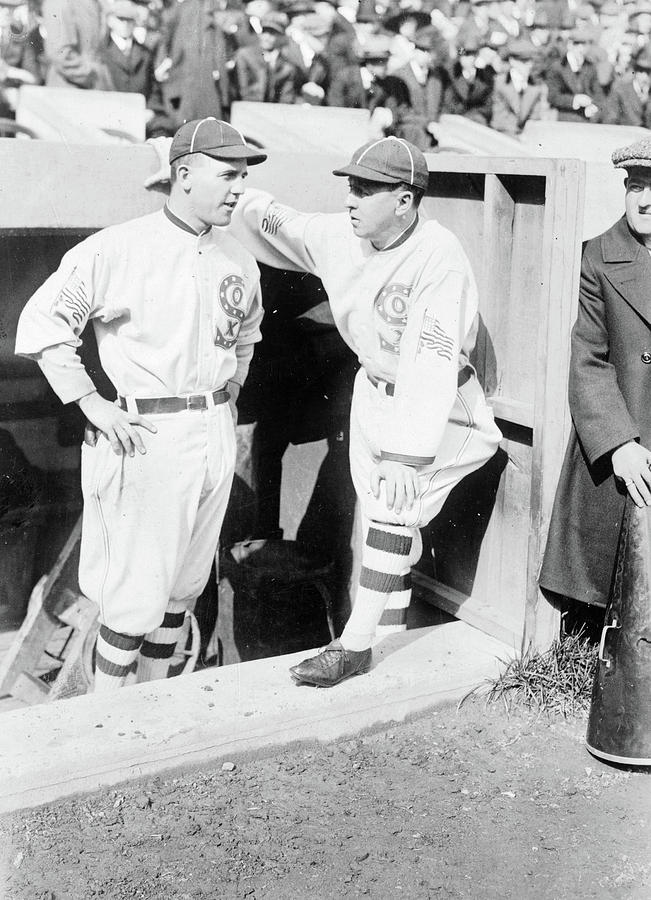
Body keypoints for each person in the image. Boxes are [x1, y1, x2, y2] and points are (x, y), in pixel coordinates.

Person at [225, 137, 502, 686]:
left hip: (443, 405)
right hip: (374, 392)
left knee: (392, 513)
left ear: (405, 199)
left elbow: (432, 362)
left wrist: (405, 454)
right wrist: (225, 190)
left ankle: (352, 647)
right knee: (386, 524)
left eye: (367, 189)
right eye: (351, 186)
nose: (352, 199)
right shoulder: (339, 234)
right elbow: (274, 219)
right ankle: (387, 645)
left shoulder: (438, 256)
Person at [15, 118, 266, 691]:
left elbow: (247, 333)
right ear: (182, 175)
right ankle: (110, 722)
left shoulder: (238, 257)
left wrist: (230, 390)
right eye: (227, 174)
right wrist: (91, 403)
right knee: (131, 600)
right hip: (144, 430)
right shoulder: (120, 247)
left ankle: (156, 712)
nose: (238, 188)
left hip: (211, 428)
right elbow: (43, 323)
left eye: (243, 177)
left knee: (182, 589)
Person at [540, 138, 651, 611]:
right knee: (610, 593)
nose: (643, 199)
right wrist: (620, 443)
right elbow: (588, 357)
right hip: (623, 441)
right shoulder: (598, 256)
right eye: (635, 185)